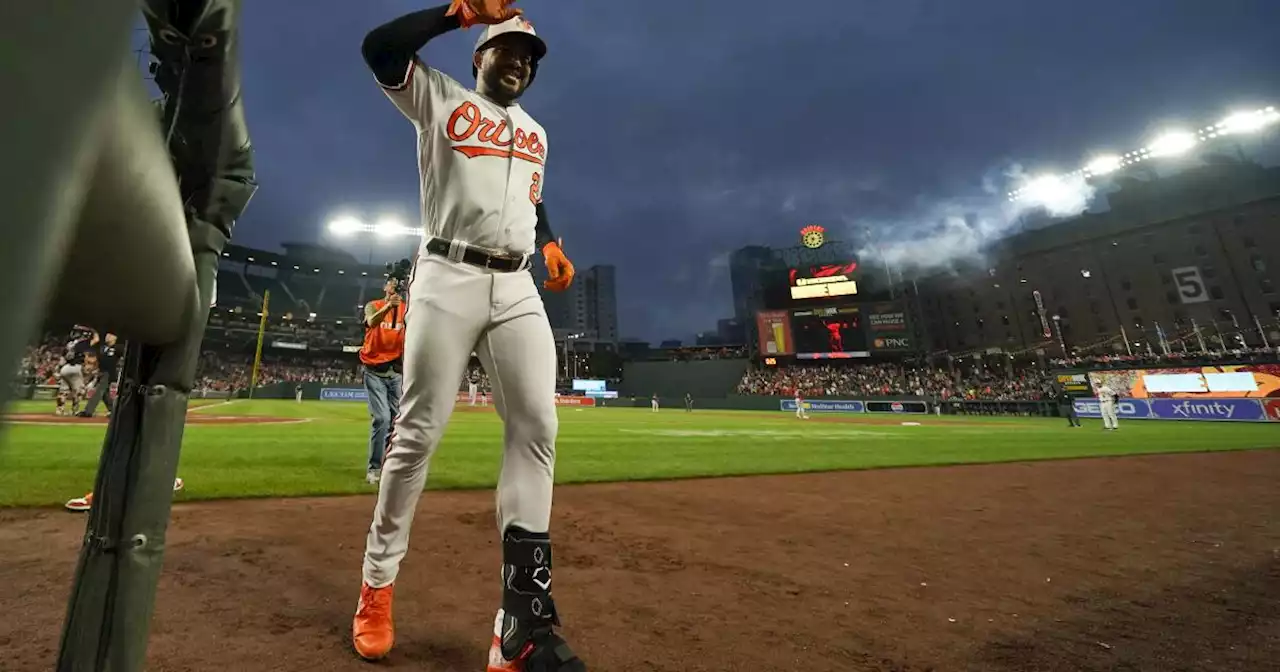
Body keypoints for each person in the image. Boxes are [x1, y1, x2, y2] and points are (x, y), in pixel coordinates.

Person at [352, 4, 585, 671]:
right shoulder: (441, 97)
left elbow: (530, 195)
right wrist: (457, 11)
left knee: (538, 425)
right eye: (508, 49)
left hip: (516, 285)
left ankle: (520, 620)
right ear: (479, 56)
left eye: (530, 57)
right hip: (447, 274)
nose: (520, 62)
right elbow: (377, 47)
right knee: (418, 431)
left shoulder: (535, 132)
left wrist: (551, 242)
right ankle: (376, 585)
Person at [360, 277, 408, 485]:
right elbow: (371, 322)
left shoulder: (407, 310)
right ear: (385, 287)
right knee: (381, 419)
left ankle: (390, 467)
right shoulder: (374, 305)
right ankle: (374, 468)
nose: (394, 285)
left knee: (397, 422)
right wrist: (389, 306)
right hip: (374, 370)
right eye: (391, 282)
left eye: (398, 282)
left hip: (395, 372)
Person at [79, 332, 120, 418]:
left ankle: (88, 411)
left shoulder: (118, 348)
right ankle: (114, 411)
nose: (107, 337)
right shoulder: (103, 348)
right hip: (101, 372)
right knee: (105, 394)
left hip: (109, 373)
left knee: (99, 391)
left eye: (110, 335)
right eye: (107, 335)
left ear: (115, 338)